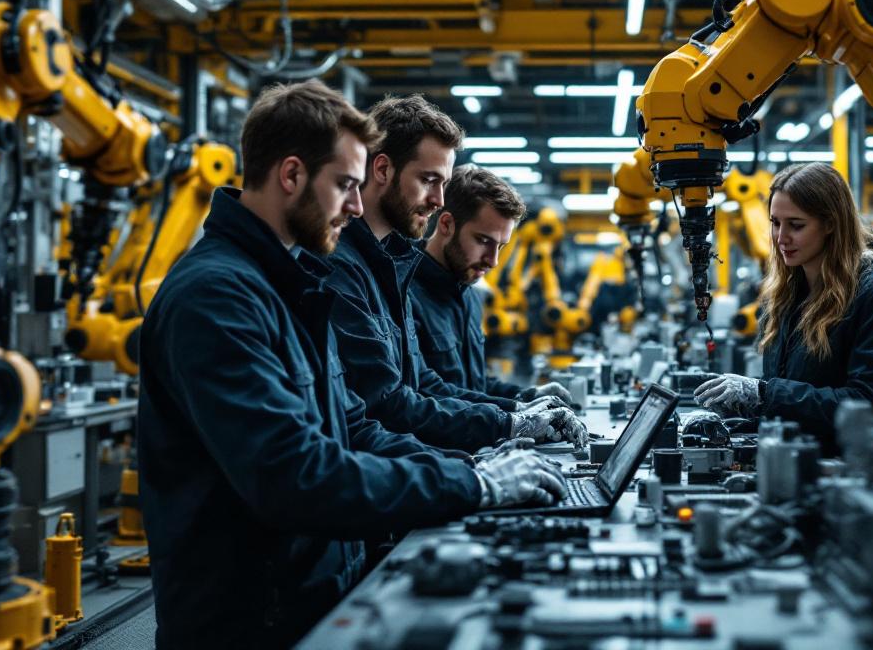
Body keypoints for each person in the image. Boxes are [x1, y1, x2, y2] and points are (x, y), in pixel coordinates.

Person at [136, 80, 564, 648]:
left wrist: (477, 464)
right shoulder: (218, 297)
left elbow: (354, 425)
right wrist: (474, 483)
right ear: (291, 176)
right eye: (345, 186)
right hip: (244, 621)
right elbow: (295, 476)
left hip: (309, 594)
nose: (358, 207)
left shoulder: (290, 282)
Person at [326, 94, 588, 452]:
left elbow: (424, 385)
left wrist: (518, 406)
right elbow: (386, 407)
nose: (437, 200)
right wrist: (477, 466)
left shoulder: (391, 268)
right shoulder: (342, 269)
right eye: (429, 180)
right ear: (383, 170)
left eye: (442, 183)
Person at [693, 163, 873, 454]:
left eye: (796, 225)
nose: (781, 238)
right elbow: (798, 391)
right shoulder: (788, 292)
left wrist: (764, 394)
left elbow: (869, 406)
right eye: (775, 223)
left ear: (831, 223)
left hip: (846, 474)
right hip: (792, 462)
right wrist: (744, 414)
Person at [410, 164, 576, 407]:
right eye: (483, 241)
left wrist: (527, 395)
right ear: (446, 224)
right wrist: (514, 413)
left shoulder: (469, 294)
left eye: (500, 246)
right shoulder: (404, 294)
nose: (493, 261)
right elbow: (427, 394)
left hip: (476, 441)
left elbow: (473, 386)